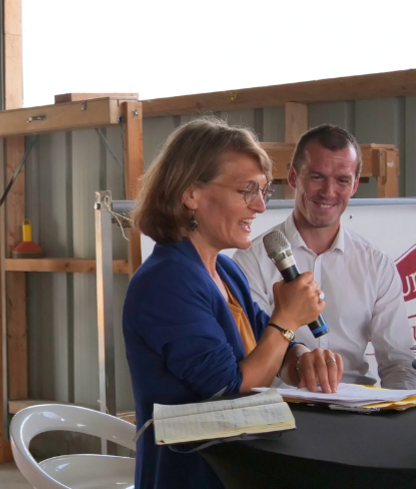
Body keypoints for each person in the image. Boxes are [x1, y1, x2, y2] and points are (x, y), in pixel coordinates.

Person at [124, 118, 343, 489]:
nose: (259, 206)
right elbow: (230, 389)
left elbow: (269, 346)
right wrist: (288, 317)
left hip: (241, 470)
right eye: (246, 190)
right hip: (194, 478)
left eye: (263, 191)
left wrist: (302, 358)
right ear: (191, 193)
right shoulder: (167, 281)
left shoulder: (225, 269)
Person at [234, 124, 416, 389]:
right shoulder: (250, 261)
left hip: (358, 414)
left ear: (354, 185)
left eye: (342, 180)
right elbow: (251, 356)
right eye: (317, 177)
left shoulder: (376, 264)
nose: (329, 192)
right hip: (281, 412)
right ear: (294, 177)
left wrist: (398, 416)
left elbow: (398, 363)